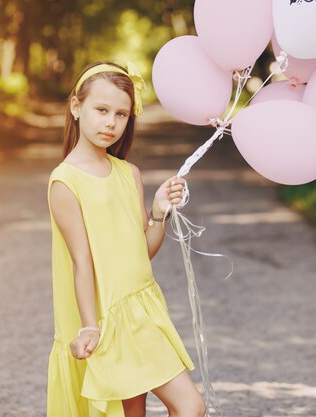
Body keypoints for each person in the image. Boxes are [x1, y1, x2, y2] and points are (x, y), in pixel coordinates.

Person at [46, 61, 206, 417]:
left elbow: (142, 252)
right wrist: (89, 325)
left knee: (191, 407)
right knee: (132, 413)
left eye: (121, 114)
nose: (111, 123)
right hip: (107, 320)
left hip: (144, 312)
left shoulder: (129, 173)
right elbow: (82, 262)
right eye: (101, 110)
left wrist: (160, 212)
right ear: (76, 107)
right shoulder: (65, 182)